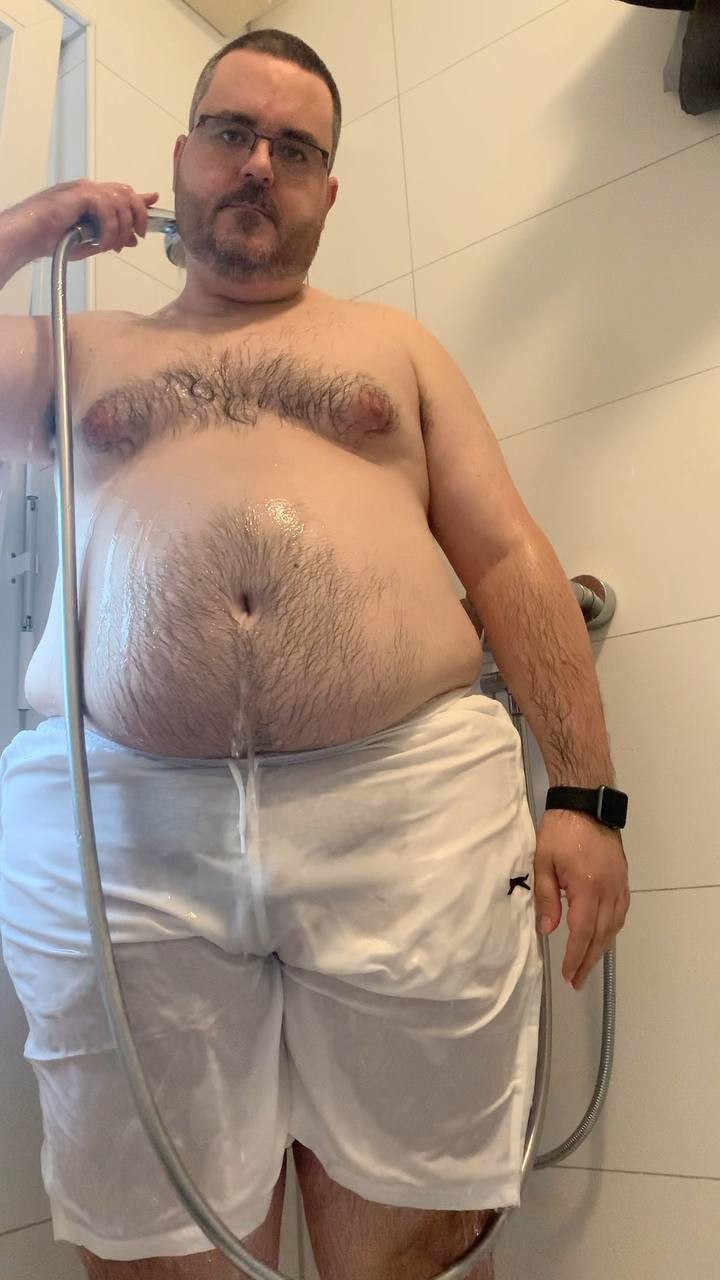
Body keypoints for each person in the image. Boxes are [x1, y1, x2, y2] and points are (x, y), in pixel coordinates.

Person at [0, 28, 630, 1280]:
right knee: (150, 1232)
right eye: (232, 132)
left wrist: (586, 794)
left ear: (328, 193)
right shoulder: (79, 348)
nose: (258, 164)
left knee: (417, 1225)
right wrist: (27, 229)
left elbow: (508, 555)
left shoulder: (394, 345)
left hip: (401, 810)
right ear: (181, 156)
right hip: (123, 825)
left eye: (294, 148)